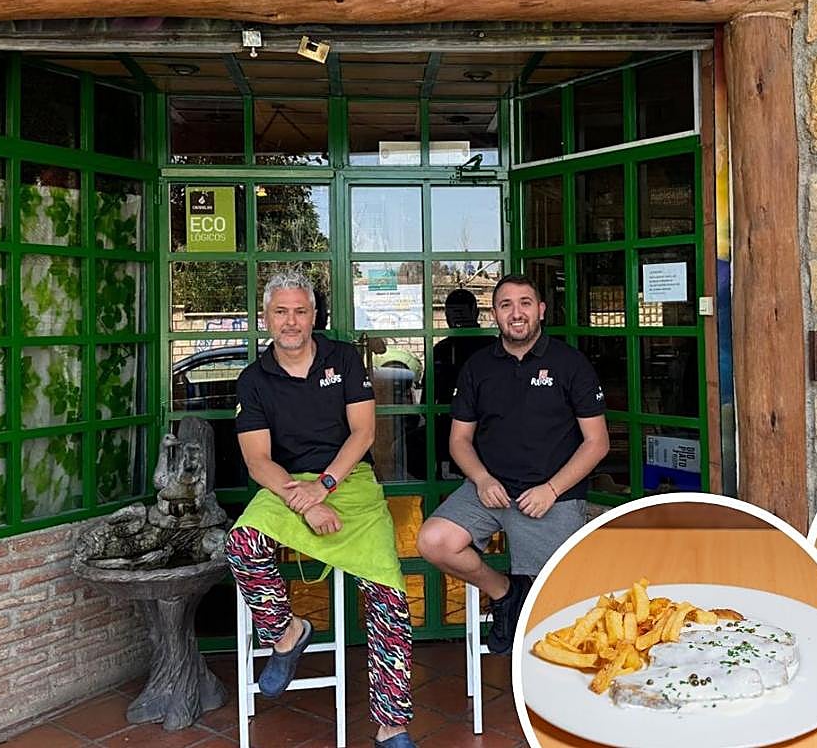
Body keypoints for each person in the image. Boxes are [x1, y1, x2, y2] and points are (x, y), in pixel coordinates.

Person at [225, 270, 415, 748]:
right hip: (286, 486)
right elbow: (257, 460)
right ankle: (286, 632)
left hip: (348, 481)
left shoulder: (344, 359)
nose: (291, 322)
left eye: (300, 311)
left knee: (387, 593)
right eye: (281, 312)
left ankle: (392, 724)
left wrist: (326, 487)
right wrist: (302, 500)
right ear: (265, 317)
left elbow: (364, 433)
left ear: (314, 316)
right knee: (242, 544)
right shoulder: (253, 380)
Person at [416, 273, 610, 653]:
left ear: (540, 310)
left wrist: (551, 489)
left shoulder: (570, 364)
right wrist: (482, 479)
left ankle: (541, 681)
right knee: (433, 540)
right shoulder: (478, 367)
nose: (516, 313)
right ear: (495, 314)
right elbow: (458, 440)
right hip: (491, 491)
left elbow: (597, 442)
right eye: (506, 305)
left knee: (555, 604)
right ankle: (504, 593)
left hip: (550, 496)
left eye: (524, 303)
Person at [432, 288, 493, 477]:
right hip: (454, 427)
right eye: (453, 313)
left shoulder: (493, 347)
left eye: (460, 312)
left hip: (483, 426)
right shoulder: (442, 349)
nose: (456, 318)